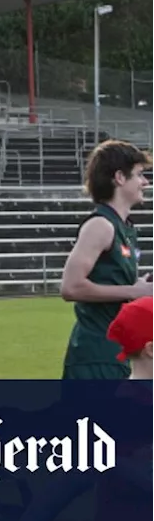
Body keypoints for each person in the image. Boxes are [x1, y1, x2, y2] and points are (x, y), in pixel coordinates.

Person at [60, 140, 154, 379]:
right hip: (96, 356)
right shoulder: (100, 225)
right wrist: (133, 291)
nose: (145, 182)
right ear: (120, 178)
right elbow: (70, 287)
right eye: (140, 175)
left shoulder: (124, 227)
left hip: (116, 352)